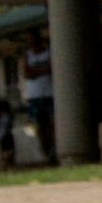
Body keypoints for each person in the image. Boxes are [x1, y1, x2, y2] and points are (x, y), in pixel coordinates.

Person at [21, 33, 59, 163]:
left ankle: (55, 148)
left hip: (50, 94)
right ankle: (46, 152)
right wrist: (43, 70)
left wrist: (36, 71)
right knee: (39, 126)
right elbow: (27, 73)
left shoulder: (49, 52)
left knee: (53, 123)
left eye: (34, 40)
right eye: (30, 41)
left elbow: (53, 69)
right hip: (35, 96)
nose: (32, 43)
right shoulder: (28, 55)